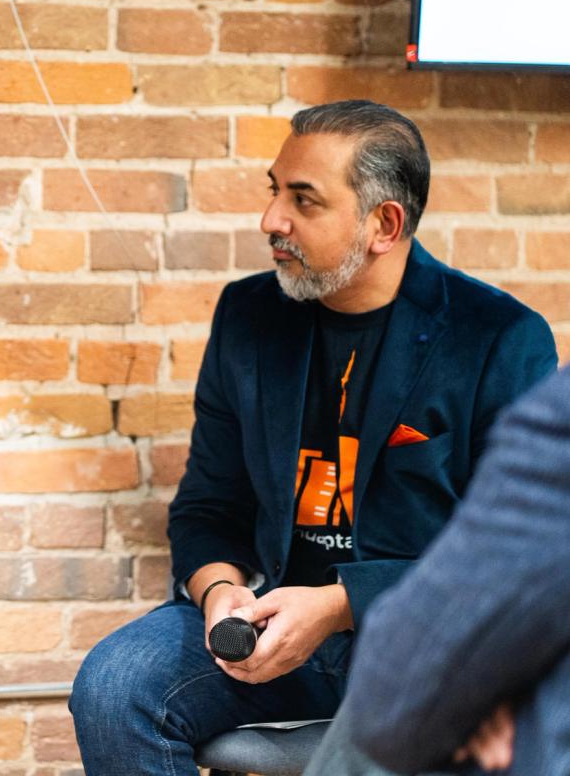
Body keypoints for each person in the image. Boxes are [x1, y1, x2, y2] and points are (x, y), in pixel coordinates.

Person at [69, 99, 557, 776]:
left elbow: (515, 556)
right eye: (275, 191)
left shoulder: (497, 337)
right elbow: (209, 506)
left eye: (304, 200)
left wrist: (337, 605)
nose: (272, 219)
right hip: (268, 624)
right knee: (115, 686)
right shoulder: (248, 315)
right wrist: (219, 594)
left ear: (384, 224)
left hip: (421, 636)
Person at [303, 365, 570, 776]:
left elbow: (396, 690)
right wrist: (218, 586)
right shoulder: (248, 341)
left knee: (366, 742)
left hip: (407, 655)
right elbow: (210, 510)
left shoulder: (542, 398)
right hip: (263, 609)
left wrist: (483, 691)